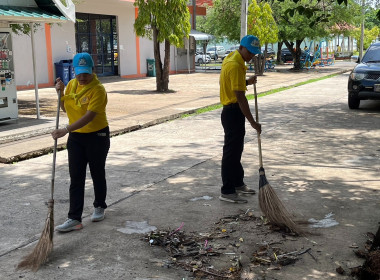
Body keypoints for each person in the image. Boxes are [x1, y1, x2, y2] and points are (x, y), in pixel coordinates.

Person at [52, 53, 110, 232]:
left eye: (86, 73)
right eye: (79, 73)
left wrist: (66, 130)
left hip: (97, 135)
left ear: (92, 70)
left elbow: (89, 116)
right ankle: (74, 218)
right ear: (75, 72)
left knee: (96, 172)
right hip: (76, 138)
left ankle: (99, 205)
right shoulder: (71, 85)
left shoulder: (98, 90)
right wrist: (60, 93)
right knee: (76, 176)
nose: (83, 77)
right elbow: (65, 108)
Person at [219, 35, 262, 204]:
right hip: (232, 111)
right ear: (242, 47)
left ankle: (237, 183)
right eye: (249, 52)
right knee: (231, 152)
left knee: (237, 150)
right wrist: (253, 122)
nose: (251, 56)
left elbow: (233, 82)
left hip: (232, 111)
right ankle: (227, 190)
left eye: (254, 53)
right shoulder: (236, 64)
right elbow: (240, 97)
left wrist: (247, 82)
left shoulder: (232, 57)